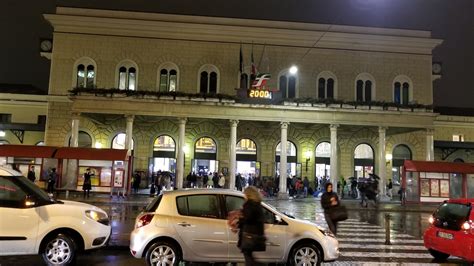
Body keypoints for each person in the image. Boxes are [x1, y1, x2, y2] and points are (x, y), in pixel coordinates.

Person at [238, 186, 265, 266]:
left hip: (249, 234)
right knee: (248, 256)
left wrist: (240, 220)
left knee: (248, 256)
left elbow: (248, 218)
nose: (244, 195)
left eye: (245, 194)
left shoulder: (249, 204)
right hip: (255, 234)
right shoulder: (257, 204)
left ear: (248, 194)